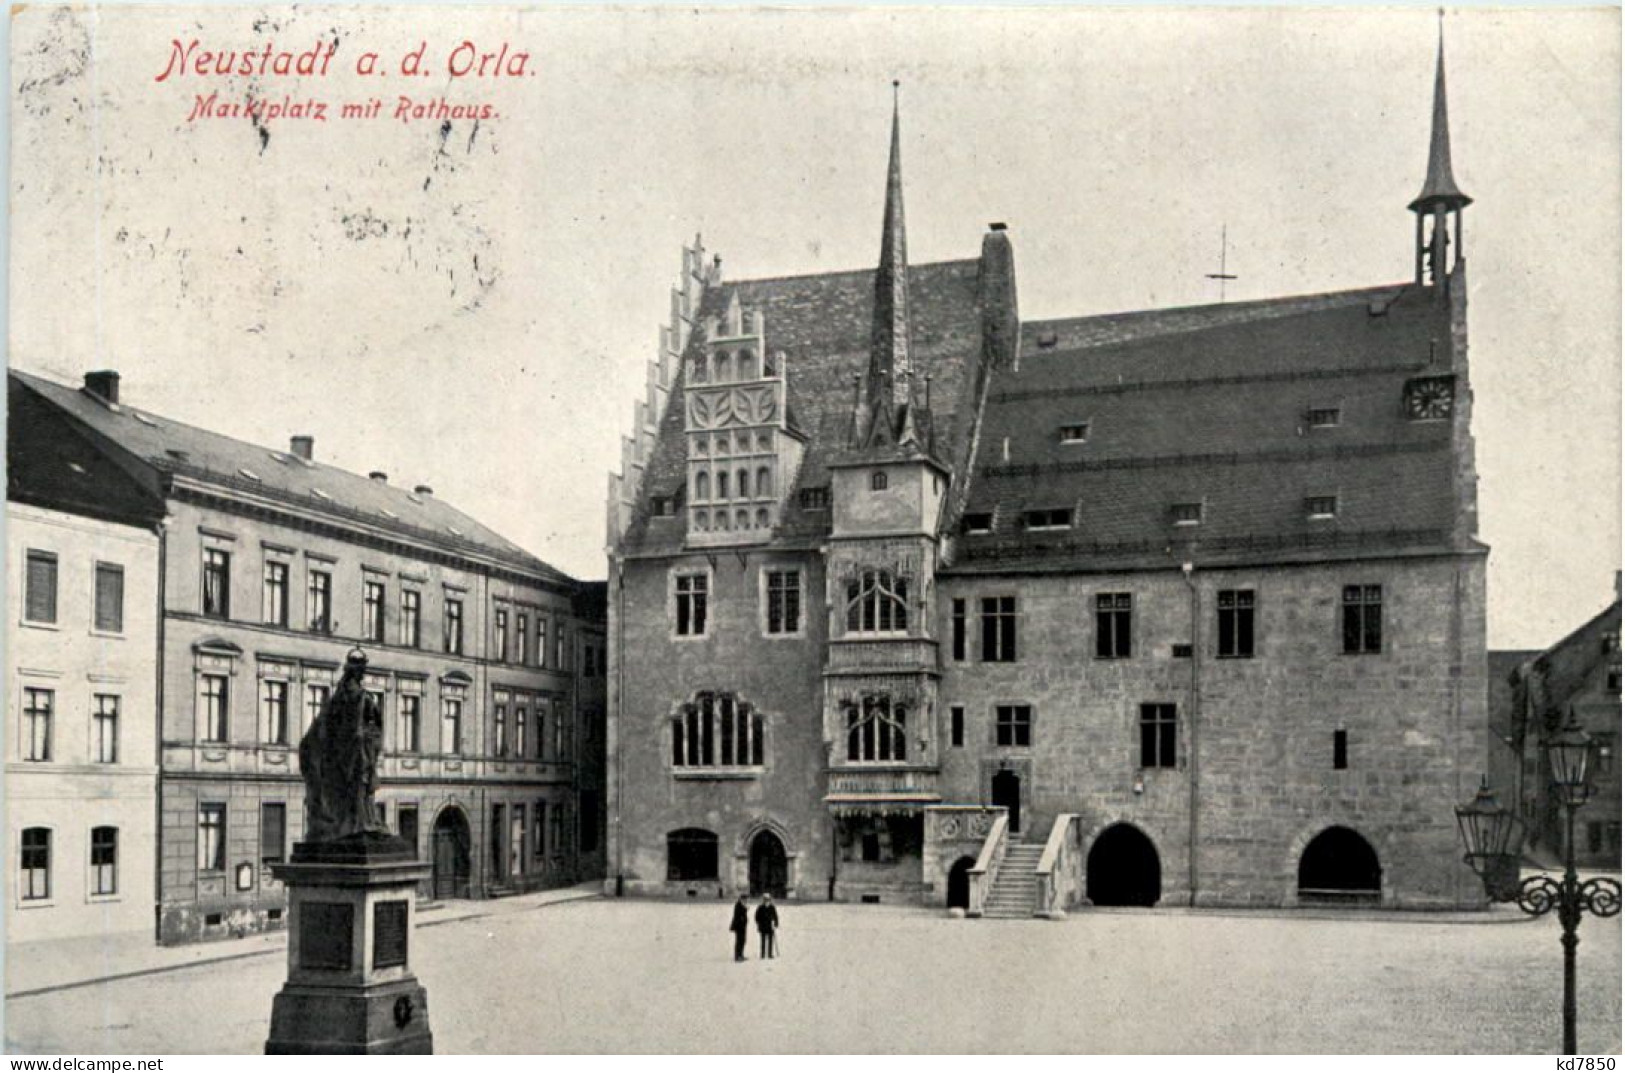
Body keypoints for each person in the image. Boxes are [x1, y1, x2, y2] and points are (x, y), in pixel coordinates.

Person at [754, 894, 779, 959]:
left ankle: (770, 954)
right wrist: (759, 923)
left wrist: (776, 923)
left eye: (768, 900)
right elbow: (756, 917)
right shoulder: (760, 907)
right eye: (766, 900)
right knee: (763, 941)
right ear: (764, 900)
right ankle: (762, 954)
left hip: (770, 926)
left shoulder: (772, 907)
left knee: (770, 941)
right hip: (762, 927)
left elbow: (775, 916)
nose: (767, 901)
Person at [729, 894, 749, 962]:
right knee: (739, 941)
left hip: (743, 926)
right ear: (741, 899)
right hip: (738, 926)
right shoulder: (738, 905)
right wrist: (745, 909)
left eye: (746, 899)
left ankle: (741, 955)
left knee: (743, 941)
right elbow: (737, 916)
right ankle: (737, 956)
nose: (746, 900)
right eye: (745, 899)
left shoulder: (743, 905)